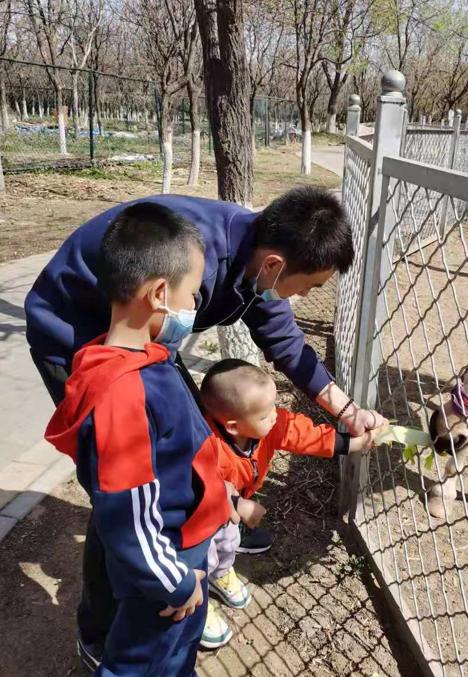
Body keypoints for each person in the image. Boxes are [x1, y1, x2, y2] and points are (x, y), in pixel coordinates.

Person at [25, 185, 385, 666]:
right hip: (76, 330)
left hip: (143, 338)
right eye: (310, 287)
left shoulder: (255, 261)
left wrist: (346, 411)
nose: (301, 298)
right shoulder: (196, 260)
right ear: (276, 265)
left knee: (187, 446)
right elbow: (122, 494)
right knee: (121, 489)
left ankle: (210, 534)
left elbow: (286, 342)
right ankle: (106, 627)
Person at [44, 203, 232, 675]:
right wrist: (175, 583)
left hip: (184, 553)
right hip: (165, 571)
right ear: (160, 294)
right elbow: (127, 512)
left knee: (176, 654)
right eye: (193, 296)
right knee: (140, 661)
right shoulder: (122, 391)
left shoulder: (143, 357)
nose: (194, 309)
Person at [197, 358, 385, 647]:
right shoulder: (205, 443)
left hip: (232, 509)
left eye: (274, 407)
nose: (275, 416)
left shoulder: (269, 425)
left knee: (228, 542)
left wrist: (350, 444)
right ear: (233, 426)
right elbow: (199, 481)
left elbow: (302, 434)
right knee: (201, 556)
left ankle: (220, 574)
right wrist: (237, 503)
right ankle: (197, 605)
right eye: (265, 414)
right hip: (201, 514)